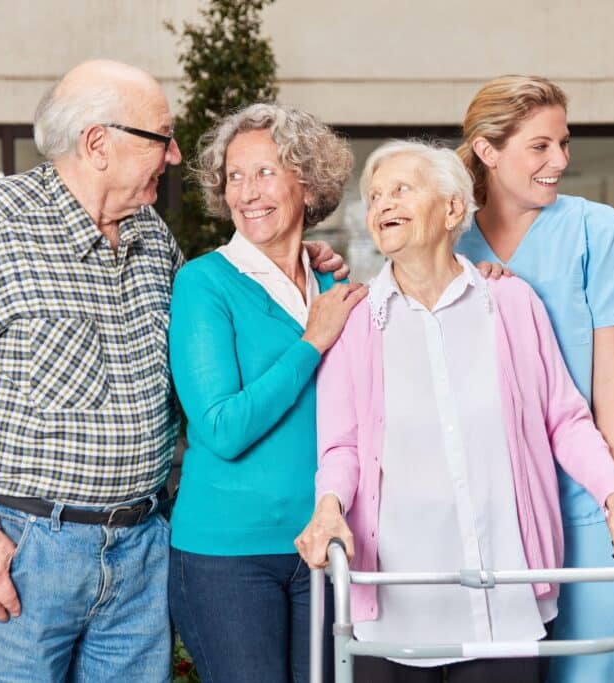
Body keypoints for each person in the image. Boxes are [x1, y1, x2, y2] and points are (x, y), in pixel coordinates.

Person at [0, 61, 346, 682]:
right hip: (24, 550)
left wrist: (302, 260)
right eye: (162, 136)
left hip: (140, 552)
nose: (177, 155)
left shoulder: (155, 241)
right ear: (98, 143)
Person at [294, 140, 614, 683]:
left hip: (503, 596)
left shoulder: (511, 304)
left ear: (453, 209)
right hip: (394, 600)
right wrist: (329, 507)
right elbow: (341, 446)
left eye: (401, 190)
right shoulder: (358, 321)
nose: (382, 205)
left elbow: (565, 419)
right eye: (373, 197)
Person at [454, 75, 614, 682]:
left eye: (563, 144)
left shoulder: (600, 231)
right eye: (540, 146)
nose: (560, 161)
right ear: (488, 151)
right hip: (497, 502)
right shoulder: (449, 239)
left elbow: (613, 381)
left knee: (595, 670)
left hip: (587, 494)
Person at [167, 102, 366, 683]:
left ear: (307, 182)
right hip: (227, 554)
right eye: (234, 176)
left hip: (325, 545)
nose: (246, 192)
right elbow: (222, 427)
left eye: (265, 172)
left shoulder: (333, 282)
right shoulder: (204, 283)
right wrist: (310, 343)